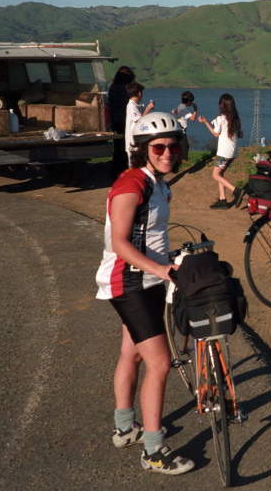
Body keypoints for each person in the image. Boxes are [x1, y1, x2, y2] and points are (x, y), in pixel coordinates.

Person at [95, 112, 194, 475]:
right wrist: (161, 269)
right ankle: (153, 451)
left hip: (147, 279)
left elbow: (148, 236)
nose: (168, 153)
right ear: (142, 150)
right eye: (159, 147)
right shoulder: (131, 183)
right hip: (129, 282)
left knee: (132, 353)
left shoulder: (157, 183)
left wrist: (168, 259)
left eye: (174, 146)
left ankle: (125, 429)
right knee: (160, 363)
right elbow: (120, 243)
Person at [197, 93, 243, 209]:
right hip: (233, 152)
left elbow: (216, 134)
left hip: (224, 152)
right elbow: (241, 135)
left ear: (222, 106)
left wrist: (206, 123)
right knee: (220, 174)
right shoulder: (236, 119)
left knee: (215, 175)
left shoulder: (220, 119)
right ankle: (223, 200)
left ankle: (236, 191)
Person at [108, 66, 135, 180]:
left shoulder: (113, 86)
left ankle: (115, 172)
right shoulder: (123, 88)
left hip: (114, 120)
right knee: (124, 147)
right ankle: (122, 171)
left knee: (118, 147)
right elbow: (127, 105)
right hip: (123, 120)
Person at [124, 82, 155, 155]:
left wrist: (149, 108)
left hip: (139, 137)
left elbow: (144, 115)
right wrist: (148, 108)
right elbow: (139, 120)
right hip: (132, 140)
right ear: (139, 93)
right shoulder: (131, 106)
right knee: (133, 160)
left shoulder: (139, 103)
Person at [169, 91, 198, 161]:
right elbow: (193, 118)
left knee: (178, 145)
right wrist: (195, 109)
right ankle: (184, 160)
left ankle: (177, 159)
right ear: (189, 101)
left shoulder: (176, 107)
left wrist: (178, 118)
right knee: (185, 145)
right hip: (181, 131)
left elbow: (170, 114)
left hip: (175, 129)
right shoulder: (184, 108)